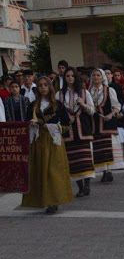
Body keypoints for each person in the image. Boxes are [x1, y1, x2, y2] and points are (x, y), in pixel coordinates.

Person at [22, 76, 73, 214]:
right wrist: (31, 124)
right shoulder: (33, 105)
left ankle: (54, 201)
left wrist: (51, 127)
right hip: (38, 142)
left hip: (54, 141)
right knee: (40, 171)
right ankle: (43, 200)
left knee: (53, 172)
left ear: (50, 87)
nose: (43, 87)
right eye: (40, 85)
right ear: (37, 88)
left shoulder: (58, 105)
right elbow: (26, 123)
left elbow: (67, 124)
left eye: (45, 84)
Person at [58, 67, 96, 197]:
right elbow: (57, 113)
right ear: (64, 78)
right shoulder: (60, 94)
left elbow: (92, 111)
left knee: (85, 159)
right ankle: (80, 188)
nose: (70, 78)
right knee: (73, 161)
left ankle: (87, 186)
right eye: (67, 76)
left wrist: (83, 104)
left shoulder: (84, 93)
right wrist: (66, 118)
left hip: (82, 129)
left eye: (72, 76)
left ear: (76, 77)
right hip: (68, 131)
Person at [89, 68, 124, 182]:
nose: (96, 77)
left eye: (98, 75)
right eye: (94, 75)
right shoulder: (88, 91)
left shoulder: (109, 90)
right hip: (94, 123)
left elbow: (117, 106)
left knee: (109, 146)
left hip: (107, 122)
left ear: (102, 77)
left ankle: (109, 171)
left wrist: (111, 114)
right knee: (99, 147)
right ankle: (104, 171)